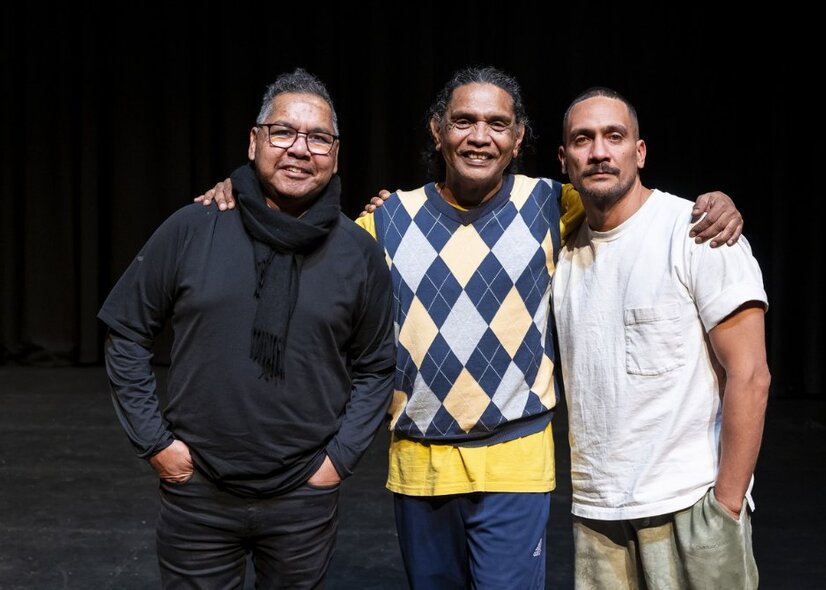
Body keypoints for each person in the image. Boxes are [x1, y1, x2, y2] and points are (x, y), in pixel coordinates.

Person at [196, 66, 744, 589]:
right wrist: (243, 190)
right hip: (419, 464)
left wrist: (715, 204)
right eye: (464, 121)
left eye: (497, 124)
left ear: (518, 137)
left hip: (515, 464)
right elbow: (304, 232)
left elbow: (630, 203)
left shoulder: (553, 204)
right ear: (437, 131)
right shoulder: (388, 220)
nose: (480, 137)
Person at [97, 68, 396, 589]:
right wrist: (156, 445)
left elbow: (376, 367)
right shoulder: (194, 226)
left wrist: (337, 462)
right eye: (283, 132)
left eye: (318, 138)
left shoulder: (358, 252)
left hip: (304, 497)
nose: (300, 149)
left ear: (336, 153)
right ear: (255, 140)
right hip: (198, 493)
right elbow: (126, 331)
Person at [553, 86, 770, 589]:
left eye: (614, 136)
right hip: (597, 515)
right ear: (564, 159)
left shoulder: (696, 232)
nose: (600, 151)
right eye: (583, 140)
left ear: (639, 151)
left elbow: (751, 374)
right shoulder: (561, 252)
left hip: (691, 507)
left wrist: (726, 506)